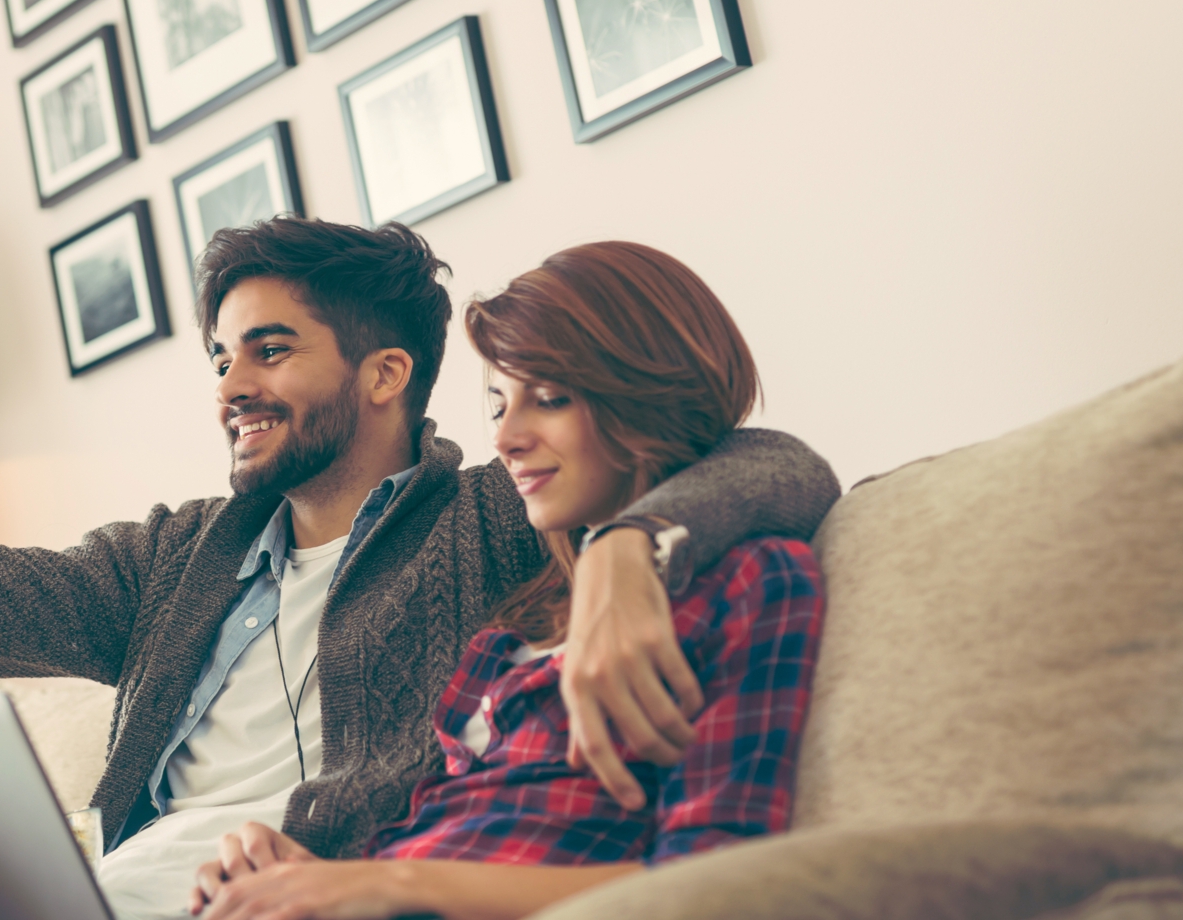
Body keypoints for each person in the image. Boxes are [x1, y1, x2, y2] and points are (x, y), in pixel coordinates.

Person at [0, 219, 839, 920]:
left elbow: (771, 457)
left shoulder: (491, 519)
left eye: (266, 351)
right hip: (59, 904)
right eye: (218, 357)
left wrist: (626, 547)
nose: (229, 387)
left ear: (382, 376)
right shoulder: (179, 558)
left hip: (284, 906)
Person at [188, 241, 825, 920]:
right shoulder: (522, 618)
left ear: (649, 393)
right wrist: (304, 877)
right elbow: (454, 830)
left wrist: (383, 886)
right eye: (497, 405)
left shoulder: (753, 581)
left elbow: (717, 880)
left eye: (547, 398)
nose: (506, 437)